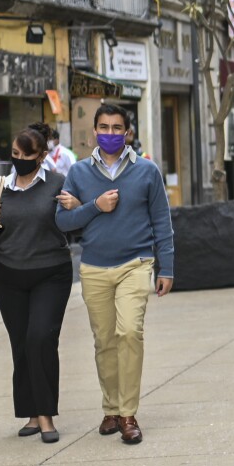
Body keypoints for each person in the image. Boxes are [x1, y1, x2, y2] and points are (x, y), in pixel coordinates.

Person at [55, 104, 175, 446]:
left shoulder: (147, 172)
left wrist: (166, 267)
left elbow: (162, 223)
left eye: (116, 128)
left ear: (127, 133)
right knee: (104, 341)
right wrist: (95, 206)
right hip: (94, 267)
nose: (110, 133)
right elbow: (62, 223)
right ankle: (110, 407)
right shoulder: (78, 173)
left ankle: (127, 413)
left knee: (129, 332)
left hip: (136, 264)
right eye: (104, 127)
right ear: (95, 131)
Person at [0, 122, 73, 443]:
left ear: (41, 156)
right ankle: (31, 413)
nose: (17, 159)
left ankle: (46, 416)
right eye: (14, 154)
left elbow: (75, 226)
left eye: (24, 155)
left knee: (40, 339)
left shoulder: (59, 184)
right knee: (21, 344)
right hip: (8, 277)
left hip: (51, 273)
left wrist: (77, 208)